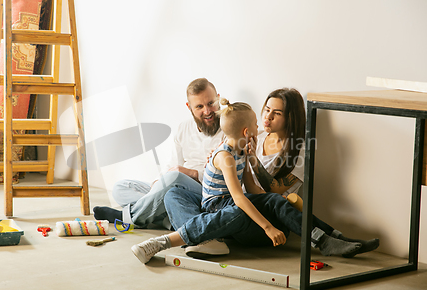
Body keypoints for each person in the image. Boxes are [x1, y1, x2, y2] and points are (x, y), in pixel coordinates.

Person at [132, 99, 379, 264]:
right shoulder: (226, 156)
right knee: (178, 194)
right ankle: (178, 241)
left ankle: (333, 238)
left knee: (273, 201)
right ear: (246, 131)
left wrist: (270, 190)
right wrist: (268, 226)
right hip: (220, 206)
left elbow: (253, 189)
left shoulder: (243, 152)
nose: (261, 125)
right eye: (255, 124)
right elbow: (239, 197)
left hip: (229, 204)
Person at [93, 78, 225, 230]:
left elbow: (227, 178)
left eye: (211, 103)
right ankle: (165, 218)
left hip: (205, 192)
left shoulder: (229, 127)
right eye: (200, 106)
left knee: (173, 179)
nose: (207, 111)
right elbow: (172, 165)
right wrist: (158, 183)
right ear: (189, 107)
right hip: (176, 186)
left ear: (218, 99)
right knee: (120, 188)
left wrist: (193, 173)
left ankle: (129, 218)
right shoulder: (184, 127)